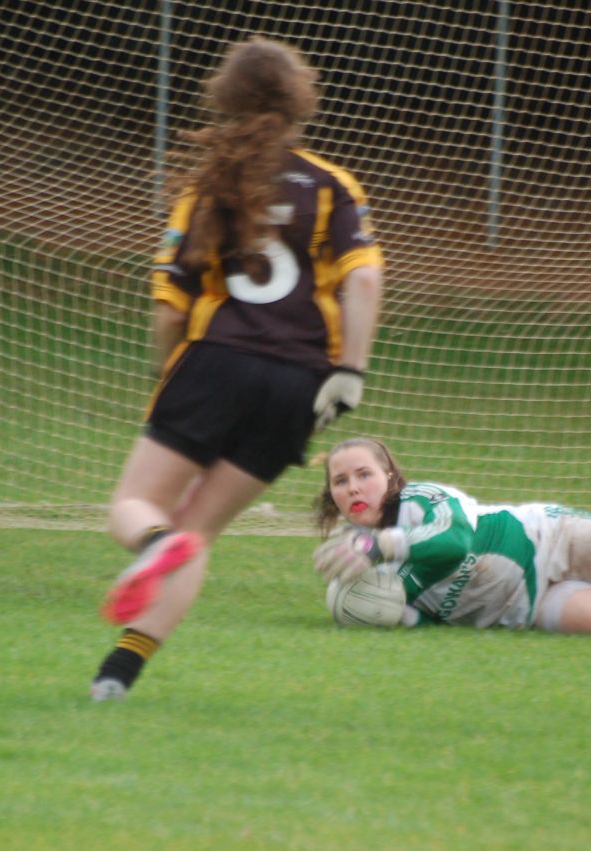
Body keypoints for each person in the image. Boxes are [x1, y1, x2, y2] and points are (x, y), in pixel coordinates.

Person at [89, 37, 384, 701]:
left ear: (223, 97)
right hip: (299, 385)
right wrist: (351, 372)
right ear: (301, 98)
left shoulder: (208, 188)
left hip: (217, 361)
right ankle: (117, 675)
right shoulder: (334, 186)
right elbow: (364, 283)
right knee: (200, 534)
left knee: (136, 510)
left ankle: (153, 545)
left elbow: (169, 308)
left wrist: (175, 375)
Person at [311, 437, 591, 638]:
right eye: (340, 481)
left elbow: (454, 541)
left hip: (551, 538)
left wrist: (381, 545)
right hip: (526, 605)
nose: (353, 488)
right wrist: (396, 616)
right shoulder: (358, 558)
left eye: (364, 474)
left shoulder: (421, 499)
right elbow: (426, 614)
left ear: (389, 476)